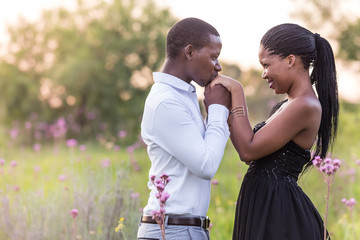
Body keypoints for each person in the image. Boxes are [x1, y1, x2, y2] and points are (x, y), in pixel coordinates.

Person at [208, 23, 339, 239]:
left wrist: (237, 91)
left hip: (279, 213)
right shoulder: (288, 104)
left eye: (266, 65)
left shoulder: (305, 105)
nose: (263, 74)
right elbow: (252, 153)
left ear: (290, 60)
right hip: (266, 205)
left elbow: (248, 150)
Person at [137, 17, 231, 240]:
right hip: (170, 231)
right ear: (189, 52)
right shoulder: (166, 101)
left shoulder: (182, 96)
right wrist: (218, 110)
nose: (218, 66)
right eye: (213, 57)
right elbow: (205, 165)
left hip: (181, 229)